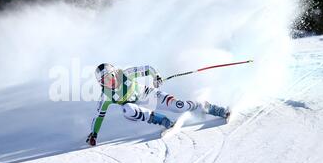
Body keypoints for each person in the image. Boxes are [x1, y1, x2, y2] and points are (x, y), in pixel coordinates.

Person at [86, 63, 229, 146]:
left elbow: (147, 69)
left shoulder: (126, 74)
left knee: (181, 107)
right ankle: (166, 122)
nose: (108, 82)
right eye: (103, 81)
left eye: (109, 78)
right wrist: (94, 134)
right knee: (127, 108)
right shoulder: (106, 96)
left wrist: (157, 77)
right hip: (137, 108)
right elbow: (99, 116)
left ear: (114, 73)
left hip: (150, 95)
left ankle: (213, 109)